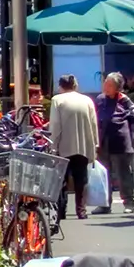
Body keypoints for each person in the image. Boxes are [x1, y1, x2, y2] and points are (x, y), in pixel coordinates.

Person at [49, 75, 99, 221]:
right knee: (81, 179)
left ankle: (61, 211)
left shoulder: (57, 100)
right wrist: (95, 144)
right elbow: (94, 123)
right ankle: (81, 211)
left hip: (64, 146)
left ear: (60, 86)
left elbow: (55, 125)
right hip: (83, 146)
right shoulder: (87, 100)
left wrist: (53, 144)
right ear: (75, 85)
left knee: (61, 180)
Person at [96, 72, 134, 216]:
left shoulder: (124, 100)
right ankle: (104, 204)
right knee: (104, 175)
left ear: (118, 88)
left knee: (124, 175)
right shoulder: (100, 99)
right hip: (104, 142)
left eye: (110, 85)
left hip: (121, 142)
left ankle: (129, 203)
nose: (106, 86)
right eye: (105, 83)